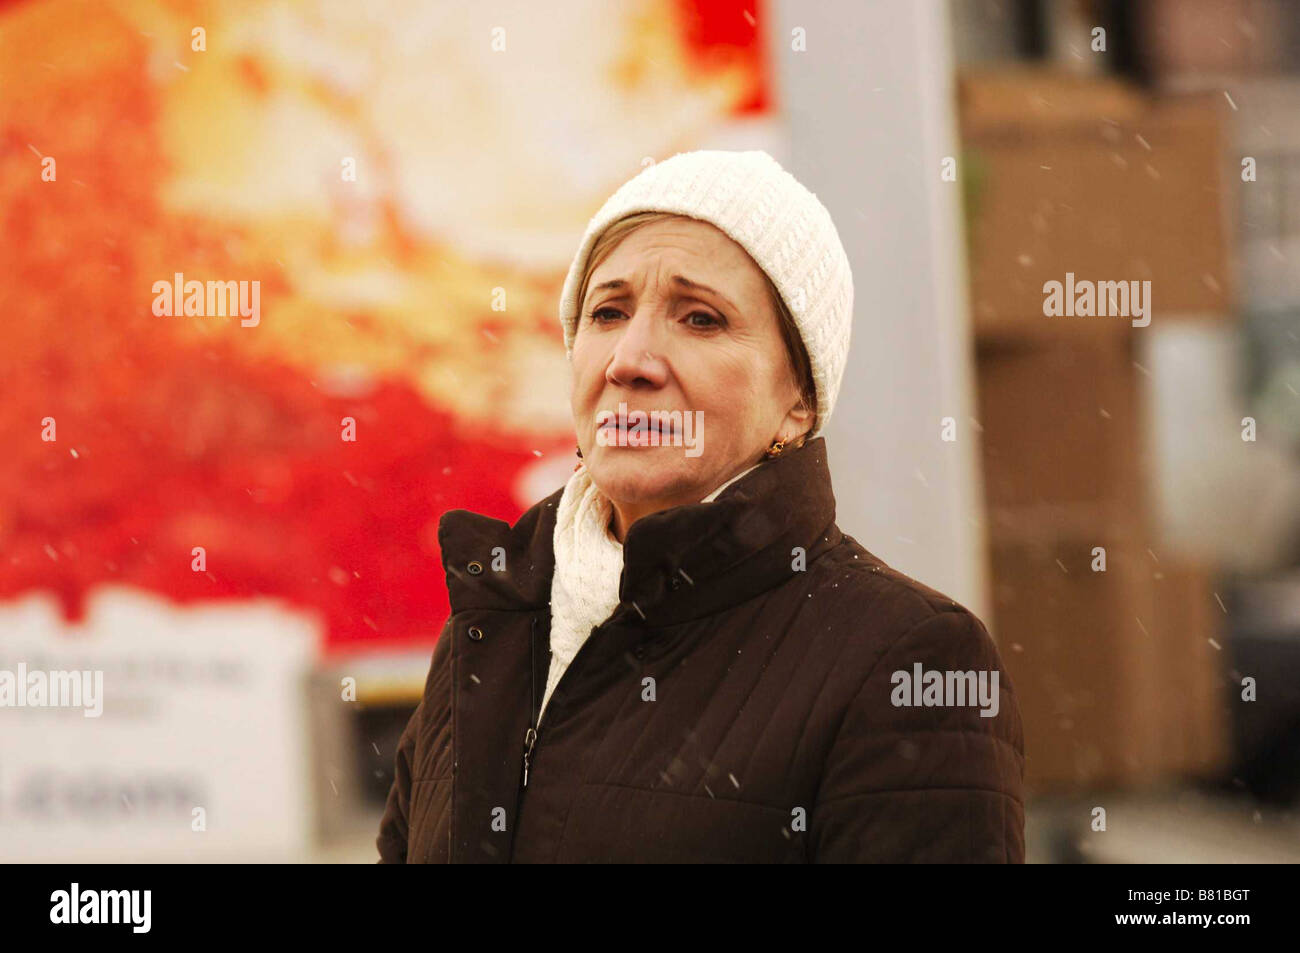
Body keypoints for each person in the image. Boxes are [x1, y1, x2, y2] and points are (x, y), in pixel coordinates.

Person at [377, 150, 1025, 863]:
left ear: (798, 401)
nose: (631, 358)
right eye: (608, 311)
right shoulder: (491, 626)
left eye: (700, 318)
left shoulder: (905, 659)